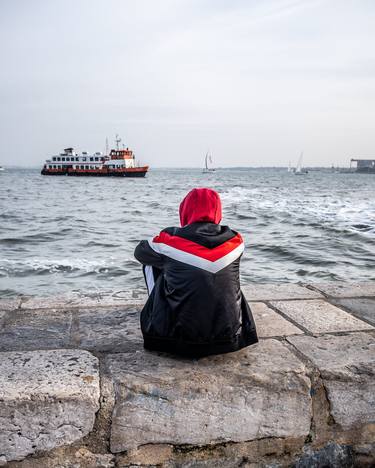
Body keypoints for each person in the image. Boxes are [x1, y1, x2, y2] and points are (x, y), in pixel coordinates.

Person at [134, 187, 258, 358]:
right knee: (223, 274)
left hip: (174, 340)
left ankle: (157, 319)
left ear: (185, 210)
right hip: (230, 339)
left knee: (153, 263)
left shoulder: (169, 240)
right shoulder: (236, 240)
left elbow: (139, 252)